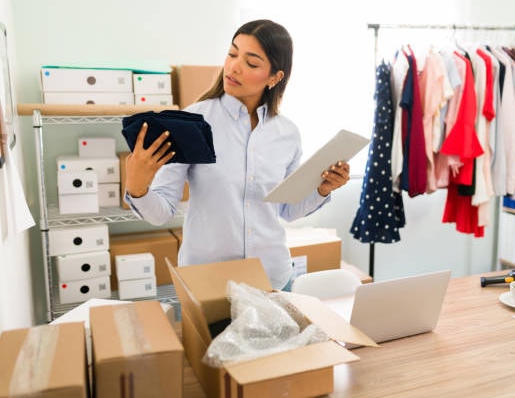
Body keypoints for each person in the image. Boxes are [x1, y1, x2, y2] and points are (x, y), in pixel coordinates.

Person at [124, 19, 350, 290]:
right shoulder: (192, 122)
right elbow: (161, 213)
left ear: (275, 77)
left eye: (251, 63)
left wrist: (323, 190)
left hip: (272, 279)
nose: (234, 67)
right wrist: (137, 188)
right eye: (232, 54)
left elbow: (287, 210)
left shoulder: (287, 134)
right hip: (207, 284)